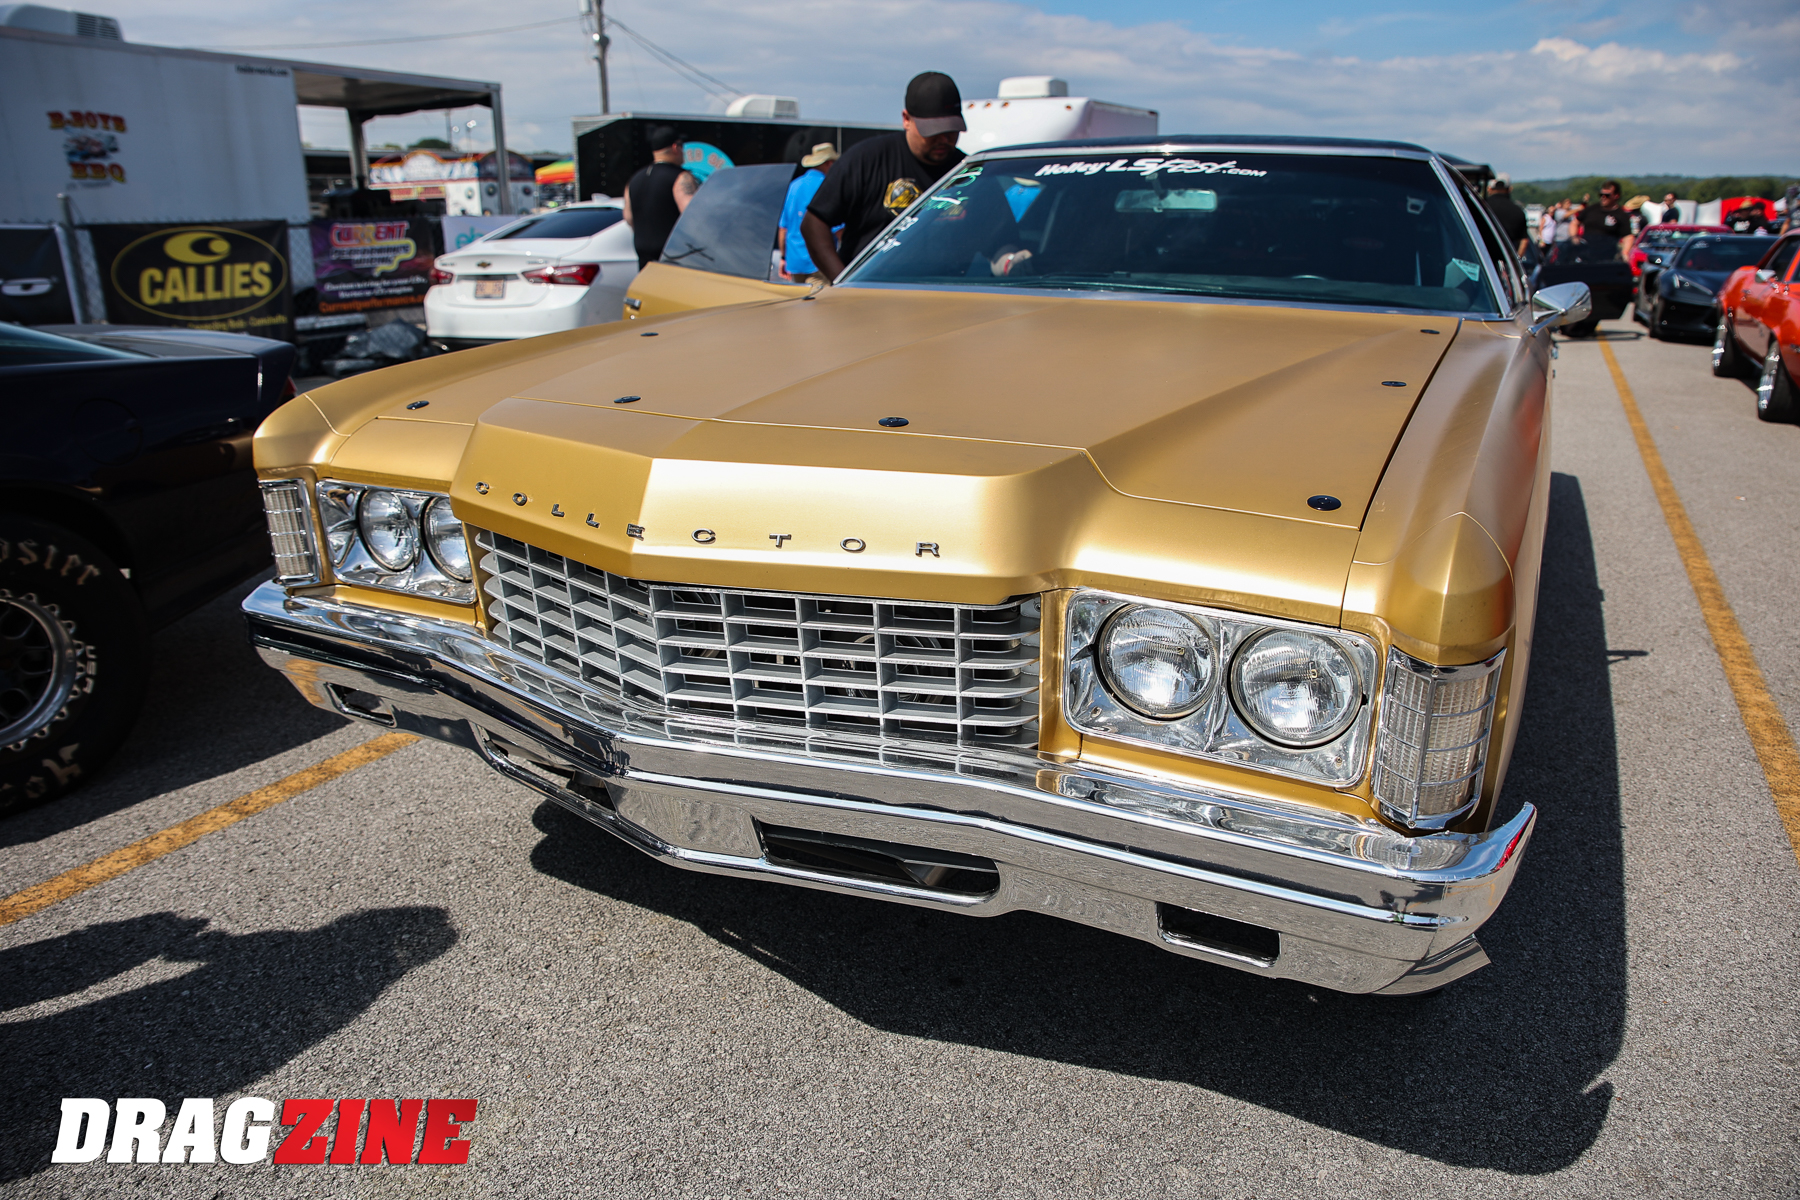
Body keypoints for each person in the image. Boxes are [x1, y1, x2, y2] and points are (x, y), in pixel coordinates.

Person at [801, 71, 968, 282]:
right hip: (874, 290)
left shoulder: (969, 171)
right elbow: (813, 223)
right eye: (933, 131)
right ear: (906, 119)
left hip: (948, 290)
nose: (943, 139)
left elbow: (997, 234)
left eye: (951, 131)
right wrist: (843, 281)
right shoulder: (866, 159)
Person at [622, 125, 694, 269]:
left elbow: (628, 217)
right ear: (675, 147)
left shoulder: (634, 179)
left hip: (644, 261)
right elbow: (691, 214)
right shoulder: (680, 177)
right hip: (674, 258)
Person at [778, 142, 840, 280]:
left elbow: (783, 229)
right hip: (820, 262)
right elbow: (838, 228)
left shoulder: (794, 185)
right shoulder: (827, 186)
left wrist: (783, 257)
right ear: (829, 163)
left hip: (795, 263)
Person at [1576, 181, 1631, 259]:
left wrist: (1625, 252)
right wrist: (1574, 237)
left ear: (1616, 196)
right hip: (1586, 254)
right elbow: (1575, 222)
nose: (1603, 197)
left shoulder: (1621, 215)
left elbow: (1628, 236)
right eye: (1601, 195)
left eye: (1607, 195)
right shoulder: (1591, 209)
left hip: (1608, 256)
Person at [1485, 174, 1529, 260]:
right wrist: (1516, 260)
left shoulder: (1480, 207)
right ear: (1510, 189)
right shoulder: (1518, 211)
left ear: (1489, 189)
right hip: (1506, 260)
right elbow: (1524, 241)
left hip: (1481, 259)